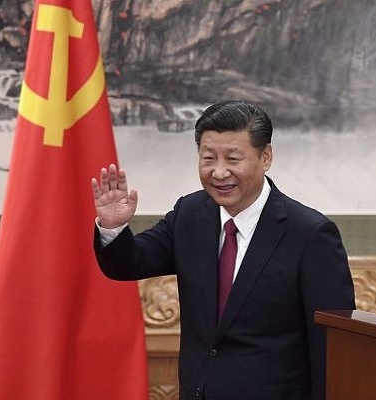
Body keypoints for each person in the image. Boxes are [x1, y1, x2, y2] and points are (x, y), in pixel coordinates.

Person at [91, 99, 355, 400]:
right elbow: (130, 263)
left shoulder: (310, 234)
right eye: (208, 159)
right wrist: (112, 227)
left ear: (265, 156)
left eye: (232, 159)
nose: (219, 172)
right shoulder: (189, 214)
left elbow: (333, 348)